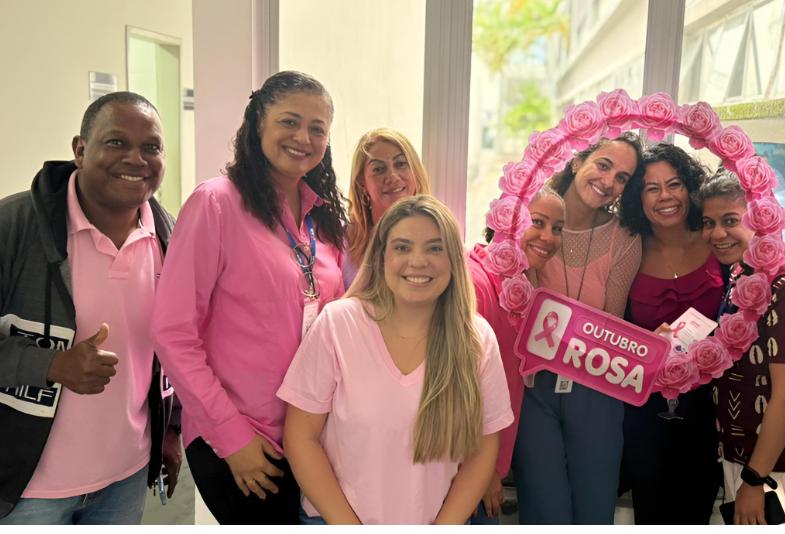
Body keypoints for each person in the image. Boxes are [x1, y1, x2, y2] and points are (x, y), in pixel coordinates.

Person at [152, 71, 347, 524]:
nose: (303, 138)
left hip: (310, 437)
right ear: (259, 123)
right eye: (289, 121)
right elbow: (172, 332)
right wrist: (231, 436)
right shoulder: (216, 203)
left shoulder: (323, 218)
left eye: (317, 128)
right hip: (243, 438)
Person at [0, 92, 181, 524]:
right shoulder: (14, 228)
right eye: (117, 142)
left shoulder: (170, 237)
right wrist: (50, 365)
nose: (136, 159)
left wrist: (171, 431)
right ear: (80, 150)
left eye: (151, 147)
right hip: (27, 490)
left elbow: (175, 348)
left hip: (125, 477)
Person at [279, 195, 513, 524]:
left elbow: (483, 449)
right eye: (402, 247)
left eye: (435, 248)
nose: (418, 261)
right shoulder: (338, 325)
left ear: (453, 260)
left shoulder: (477, 339)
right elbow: (300, 438)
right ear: (381, 257)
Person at [514, 132, 644, 524]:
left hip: (596, 385)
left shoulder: (625, 238)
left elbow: (612, 324)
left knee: (594, 507)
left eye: (622, 177)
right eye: (603, 165)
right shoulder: (531, 218)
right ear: (576, 162)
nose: (609, 181)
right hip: (532, 384)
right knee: (543, 507)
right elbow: (518, 306)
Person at [698, 169, 785, 524]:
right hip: (741, 454)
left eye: (730, 220)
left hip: (776, 468)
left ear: (761, 218)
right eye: (709, 223)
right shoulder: (742, 271)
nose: (717, 234)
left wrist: (755, 479)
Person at [617, 142, 723, 524]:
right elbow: (610, 326)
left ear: (690, 188)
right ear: (638, 197)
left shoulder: (715, 239)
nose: (665, 196)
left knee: (697, 508)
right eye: (652, 188)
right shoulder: (628, 249)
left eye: (674, 184)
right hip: (645, 411)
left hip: (709, 406)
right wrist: (645, 343)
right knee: (651, 509)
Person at [467, 186, 565, 524]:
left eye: (557, 228)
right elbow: (462, 387)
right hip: (468, 469)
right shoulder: (475, 281)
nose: (549, 237)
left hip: (489, 463)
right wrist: (482, 470)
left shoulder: (517, 285)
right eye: (537, 222)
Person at [343, 128, 431, 288]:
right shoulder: (343, 241)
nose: (392, 177)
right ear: (361, 181)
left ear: (415, 170)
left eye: (401, 164)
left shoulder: (441, 234)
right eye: (378, 169)